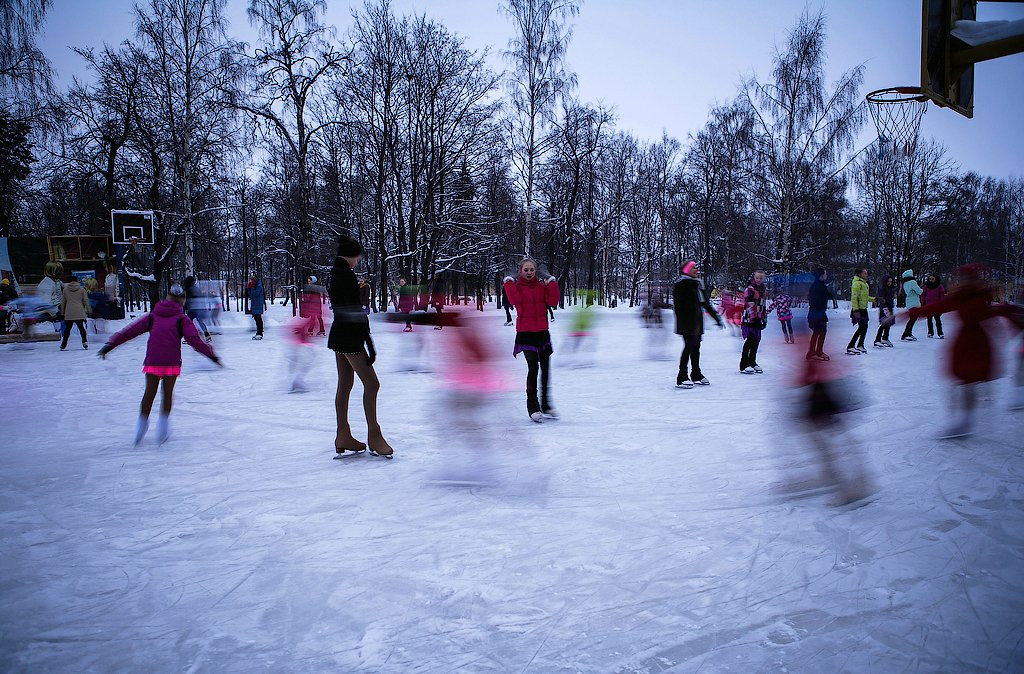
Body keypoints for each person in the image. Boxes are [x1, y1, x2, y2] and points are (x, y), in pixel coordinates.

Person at [98, 284, 220, 444]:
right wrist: (211, 355)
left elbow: (130, 331)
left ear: (167, 297)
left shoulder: (153, 316)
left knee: (149, 392)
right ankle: (163, 427)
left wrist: (110, 345)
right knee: (167, 393)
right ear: (182, 300)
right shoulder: (182, 319)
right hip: (171, 362)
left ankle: (140, 427)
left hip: (153, 360)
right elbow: (195, 341)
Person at [907, 264, 1014, 438]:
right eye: (961, 278)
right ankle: (962, 420)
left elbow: (997, 314)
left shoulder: (980, 296)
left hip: (977, 344)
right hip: (965, 343)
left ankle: (964, 420)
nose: (962, 281)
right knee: (960, 381)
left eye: (965, 278)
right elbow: (934, 308)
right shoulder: (961, 296)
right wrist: (903, 315)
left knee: (967, 381)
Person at [329, 235, 393, 459]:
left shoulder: (337, 273)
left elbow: (343, 304)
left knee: (345, 384)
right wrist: (367, 338)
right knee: (372, 384)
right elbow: (352, 310)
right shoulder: (345, 275)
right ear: (351, 256)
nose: (357, 261)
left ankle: (343, 435)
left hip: (340, 334)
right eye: (357, 257)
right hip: (350, 336)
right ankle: (374, 436)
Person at [504, 258, 560, 421]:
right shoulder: (516, 287)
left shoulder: (542, 287)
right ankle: (533, 407)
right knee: (533, 369)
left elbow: (553, 301)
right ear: (520, 271)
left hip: (542, 333)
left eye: (532, 270)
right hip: (526, 334)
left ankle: (546, 405)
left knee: (546, 370)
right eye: (526, 270)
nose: (529, 272)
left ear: (536, 271)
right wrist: (508, 281)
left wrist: (551, 281)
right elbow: (513, 300)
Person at [672, 260, 723, 388]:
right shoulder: (681, 285)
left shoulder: (698, 284)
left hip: (697, 322)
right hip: (687, 322)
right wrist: (683, 323)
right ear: (686, 270)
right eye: (693, 268)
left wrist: (716, 318)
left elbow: (705, 303)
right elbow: (678, 306)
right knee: (689, 347)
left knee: (696, 348)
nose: (697, 269)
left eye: (696, 267)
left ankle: (696, 374)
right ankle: (682, 376)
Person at [740, 270, 768, 374]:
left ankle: (752, 362)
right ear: (754, 277)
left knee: (757, 340)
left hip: (758, 318)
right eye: (757, 278)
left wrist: (764, 318)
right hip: (749, 318)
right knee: (750, 340)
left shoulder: (763, 289)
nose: (759, 280)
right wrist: (753, 317)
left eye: (761, 278)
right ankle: (744, 364)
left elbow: (763, 305)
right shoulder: (750, 289)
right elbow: (749, 304)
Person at [806, 267, 833, 361]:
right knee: (818, 331)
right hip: (816, 312)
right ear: (821, 275)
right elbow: (815, 299)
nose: (826, 275)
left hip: (819, 312)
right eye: (825, 273)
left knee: (821, 331)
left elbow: (824, 296)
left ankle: (818, 351)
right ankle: (812, 352)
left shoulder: (821, 284)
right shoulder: (817, 286)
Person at [846, 268, 874, 355]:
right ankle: (850, 346)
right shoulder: (857, 283)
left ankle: (860, 345)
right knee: (862, 327)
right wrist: (856, 310)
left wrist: (875, 299)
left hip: (863, 309)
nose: (867, 274)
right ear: (859, 274)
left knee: (865, 327)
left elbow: (865, 297)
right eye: (865, 273)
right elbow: (854, 297)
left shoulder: (864, 283)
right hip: (858, 309)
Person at [60, 275, 90, 350]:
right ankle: (85, 342)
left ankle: (63, 344)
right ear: (77, 280)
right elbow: (86, 301)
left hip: (69, 311)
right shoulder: (82, 289)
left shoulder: (65, 290)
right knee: (81, 328)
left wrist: (62, 313)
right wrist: (89, 310)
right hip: (79, 310)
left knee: (67, 328)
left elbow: (63, 302)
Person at [183, 276, 212, 342]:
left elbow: (186, 300)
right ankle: (207, 335)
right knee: (200, 322)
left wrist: (184, 308)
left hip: (191, 309)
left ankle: (189, 337)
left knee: (188, 323)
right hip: (198, 308)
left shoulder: (187, 289)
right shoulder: (196, 289)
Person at [873, 275, 897, 348]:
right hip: (884, 308)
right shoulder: (882, 289)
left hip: (890, 307)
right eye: (888, 281)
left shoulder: (892, 288)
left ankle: (885, 338)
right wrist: (885, 309)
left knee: (888, 324)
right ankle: (877, 340)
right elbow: (881, 299)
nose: (889, 283)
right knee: (884, 324)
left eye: (891, 281)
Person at [900, 269, 924, 341]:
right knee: (913, 319)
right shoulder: (912, 282)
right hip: (914, 302)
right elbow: (919, 291)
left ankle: (909, 333)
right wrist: (922, 289)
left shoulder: (905, 283)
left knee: (912, 318)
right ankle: (905, 334)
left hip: (909, 302)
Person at [922, 272, 946, 338]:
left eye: (933, 279)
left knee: (937, 320)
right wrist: (922, 303)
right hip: (928, 305)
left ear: (936, 279)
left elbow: (942, 295)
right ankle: (930, 332)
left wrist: (941, 303)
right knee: (929, 319)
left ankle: (940, 333)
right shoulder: (926, 286)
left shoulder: (939, 286)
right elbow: (923, 295)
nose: (931, 280)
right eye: (930, 279)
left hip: (936, 305)